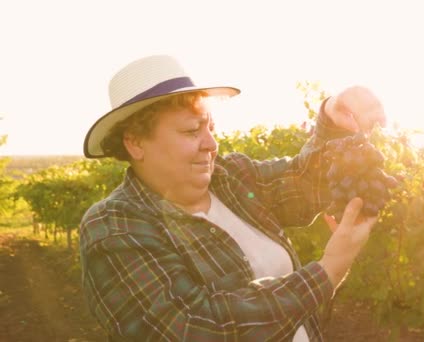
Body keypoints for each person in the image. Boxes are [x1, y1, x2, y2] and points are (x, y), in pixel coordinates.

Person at [79, 55, 386, 341]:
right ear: (134, 143)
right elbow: (194, 327)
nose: (211, 144)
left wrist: (333, 119)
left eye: (211, 128)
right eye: (191, 131)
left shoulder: (232, 178)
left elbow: (306, 184)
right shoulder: (113, 226)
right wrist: (328, 270)